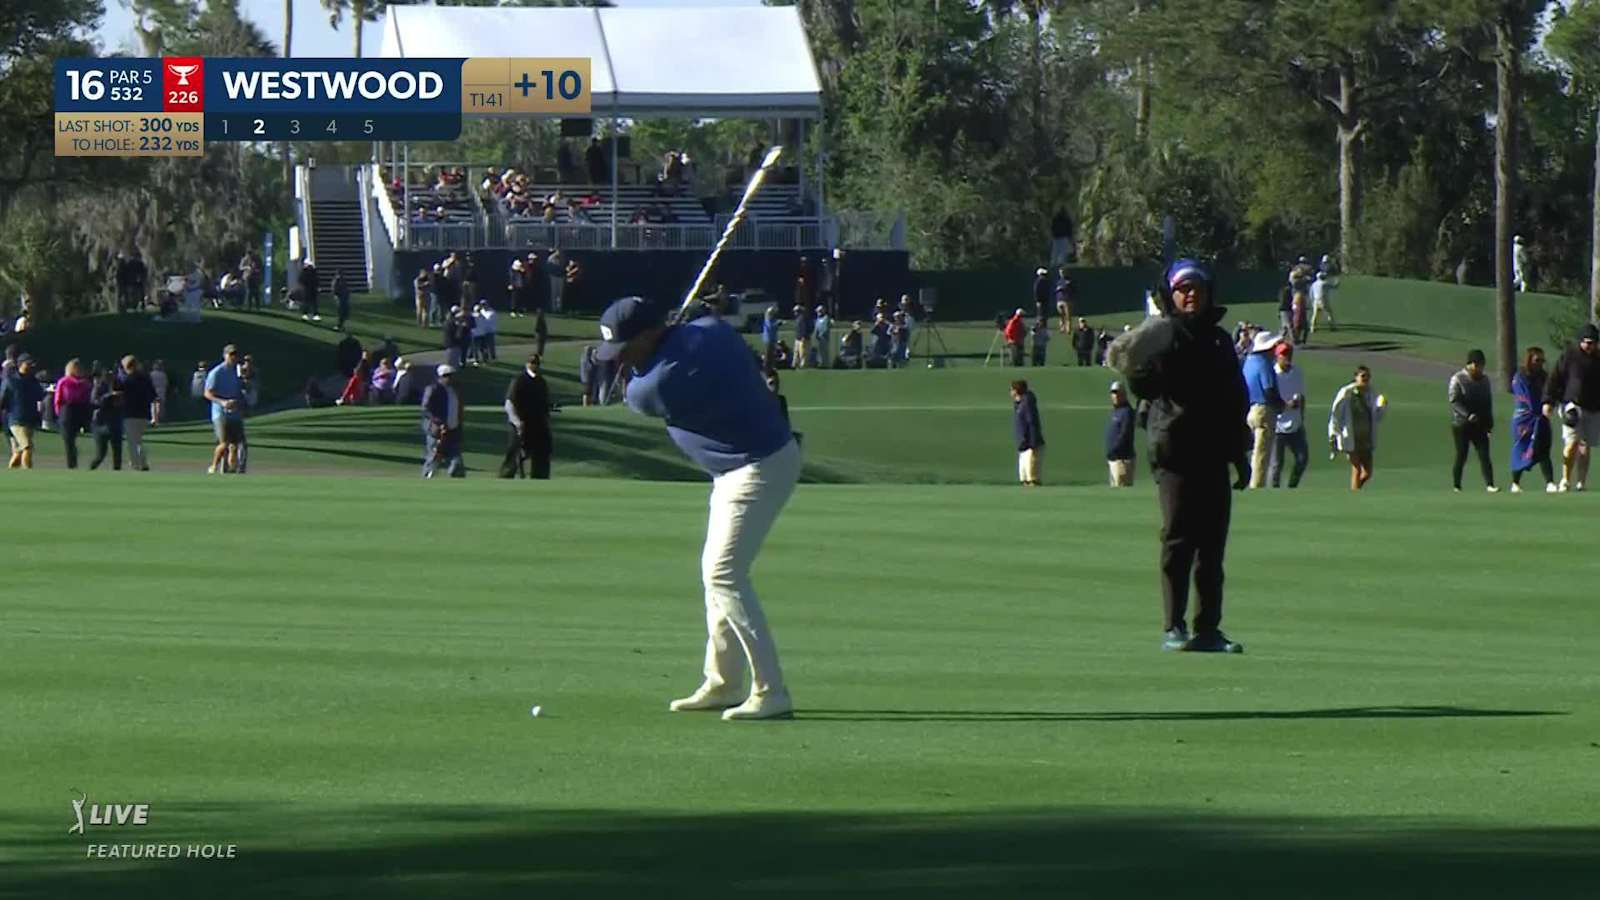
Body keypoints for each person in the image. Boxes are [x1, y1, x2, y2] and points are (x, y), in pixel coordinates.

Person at [597, 295, 799, 721]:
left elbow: (636, 393)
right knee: (715, 575)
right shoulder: (711, 331)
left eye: (624, 348)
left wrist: (663, 347)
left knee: (724, 574)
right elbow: (709, 330)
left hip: (755, 468)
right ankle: (723, 682)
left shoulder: (654, 385)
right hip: (741, 467)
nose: (620, 359)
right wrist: (681, 330)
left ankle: (771, 691)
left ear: (650, 333)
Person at [1107, 258, 1248, 654]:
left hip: (1214, 454)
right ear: (1171, 294)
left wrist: (1240, 455)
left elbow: (1235, 400)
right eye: (1183, 289)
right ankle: (1174, 626)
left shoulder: (1220, 341)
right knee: (1178, 540)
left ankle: (1209, 630)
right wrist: (1137, 366)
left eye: (1196, 288)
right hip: (1175, 452)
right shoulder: (1163, 336)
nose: (1190, 295)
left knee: (1212, 547)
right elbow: (1145, 387)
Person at [1545, 323, 1599, 492]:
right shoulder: (1570, 356)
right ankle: (1565, 479)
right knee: (1571, 444)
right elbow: (1555, 378)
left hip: (1594, 407)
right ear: (1580, 342)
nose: (1589, 346)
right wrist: (1548, 401)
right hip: (1572, 406)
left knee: (1585, 446)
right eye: (1586, 342)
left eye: (1593, 343)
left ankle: (1581, 482)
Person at [1328, 365, 1386, 491]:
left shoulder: (1371, 393)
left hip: (1366, 437)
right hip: (1351, 436)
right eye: (1363, 376)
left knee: (1368, 472)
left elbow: (1376, 417)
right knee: (1356, 469)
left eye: (1368, 376)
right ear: (1356, 377)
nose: (1366, 379)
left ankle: (1355, 491)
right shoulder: (1346, 393)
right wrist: (1334, 433)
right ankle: (1355, 496)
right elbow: (1335, 413)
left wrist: (1382, 407)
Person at [1449, 349, 1498, 493]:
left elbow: (1487, 402)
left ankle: (1490, 485)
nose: (1479, 369)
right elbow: (1454, 401)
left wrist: (1489, 423)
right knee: (1461, 455)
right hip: (1461, 424)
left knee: (1484, 455)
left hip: (1480, 423)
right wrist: (1467, 415)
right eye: (1476, 365)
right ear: (1469, 364)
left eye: (1481, 365)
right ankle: (1457, 486)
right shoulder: (1457, 379)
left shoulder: (1485, 380)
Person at [1511, 346, 1557, 493]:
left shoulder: (1544, 377)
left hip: (1541, 418)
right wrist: (1541, 407)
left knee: (1544, 449)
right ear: (1530, 360)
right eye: (1537, 360)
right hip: (1524, 420)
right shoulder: (1520, 377)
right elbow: (1527, 399)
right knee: (1522, 448)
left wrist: (1550, 404)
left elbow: (1551, 392)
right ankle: (1515, 483)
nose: (1540, 363)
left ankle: (1550, 482)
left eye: (1542, 360)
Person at [502, 354, 552, 479]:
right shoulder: (519, 380)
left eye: (536, 363)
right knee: (513, 451)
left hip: (537, 422)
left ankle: (540, 476)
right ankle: (506, 475)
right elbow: (509, 404)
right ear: (527, 364)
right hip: (520, 422)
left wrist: (546, 420)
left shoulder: (541, 382)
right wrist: (517, 422)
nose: (534, 365)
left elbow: (544, 404)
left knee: (543, 449)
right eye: (532, 362)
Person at [1242, 330, 1282, 489]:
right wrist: (1280, 406)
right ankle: (1256, 486)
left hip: (1250, 410)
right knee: (1261, 453)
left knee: (1255, 452)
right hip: (1264, 410)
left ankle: (1251, 481)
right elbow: (1269, 389)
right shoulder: (1264, 364)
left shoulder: (1249, 361)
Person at [1266, 343, 1308, 489]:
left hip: (1295, 424)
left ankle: (1292, 487)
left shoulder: (1297, 372)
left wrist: (1302, 417)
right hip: (1277, 425)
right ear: (1277, 356)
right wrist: (1286, 405)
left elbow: (1302, 396)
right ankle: (1274, 493)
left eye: (1288, 354)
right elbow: (1269, 398)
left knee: (1302, 459)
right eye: (1283, 354)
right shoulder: (1272, 374)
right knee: (1276, 464)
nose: (1286, 357)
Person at [202, 346, 246, 474]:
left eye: (235, 355)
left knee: (235, 444)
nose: (233, 357)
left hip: (235, 413)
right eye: (230, 354)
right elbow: (207, 393)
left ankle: (230, 469)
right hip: (220, 413)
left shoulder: (237, 372)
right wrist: (222, 402)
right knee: (224, 443)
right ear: (225, 355)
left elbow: (242, 390)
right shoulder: (217, 372)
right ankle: (214, 466)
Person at [421, 364, 465, 478]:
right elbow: (426, 409)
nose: (449, 378)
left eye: (451, 376)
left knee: (456, 460)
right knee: (433, 457)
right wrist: (438, 422)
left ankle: (458, 481)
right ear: (440, 376)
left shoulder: (455, 390)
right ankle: (427, 478)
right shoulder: (433, 389)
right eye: (446, 376)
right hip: (436, 431)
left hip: (453, 430)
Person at [1, 354, 44, 469]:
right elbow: (2, 400)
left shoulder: (33, 381)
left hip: (30, 419)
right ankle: (28, 472)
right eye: (28, 363)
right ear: (20, 364)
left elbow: (40, 397)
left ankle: (11, 473)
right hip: (16, 419)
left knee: (18, 451)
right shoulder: (11, 380)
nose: (30, 366)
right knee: (27, 447)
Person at [119, 355, 157, 471]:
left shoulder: (125, 381)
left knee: (132, 441)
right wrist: (155, 415)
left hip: (130, 414)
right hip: (144, 414)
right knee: (138, 439)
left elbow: (120, 397)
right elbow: (154, 398)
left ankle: (137, 464)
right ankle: (141, 462)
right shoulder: (145, 379)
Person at [54, 359, 93, 470]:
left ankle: (73, 459)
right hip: (66, 411)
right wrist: (59, 412)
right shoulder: (64, 382)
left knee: (72, 438)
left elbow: (87, 400)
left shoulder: (85, 384)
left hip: (79, 410)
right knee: (68, 439)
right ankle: (71, 464)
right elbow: (58, 399)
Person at [88, 367, 125, 471]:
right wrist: (109, 396)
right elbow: (94, 401)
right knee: (101, 454)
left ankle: (117, 473)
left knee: (117, 452)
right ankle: (91, 470)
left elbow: (125, 402)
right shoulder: (99, 387)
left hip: (115, 423)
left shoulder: (120, 386)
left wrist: (120, 399)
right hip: (101, 423)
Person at [1011, 379, 1045, 486]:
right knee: (1024, 478)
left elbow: (1031, 423)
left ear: (1016, 391)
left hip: (1029, 442)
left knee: (1032, 477)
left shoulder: (1027, 404)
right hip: (1023, 442)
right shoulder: (1019, 403)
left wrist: (1032, 441)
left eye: (1011, 389)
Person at [1106, 381, 1136, 487]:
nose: (1115, 396)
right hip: (1114, 459)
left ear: (1124, 395)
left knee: (1121, 488)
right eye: (1113, 393)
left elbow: (1125, 434)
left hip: (1123, 459)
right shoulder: (1116, 411)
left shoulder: (1127, 412)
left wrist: (1114, 449)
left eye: (1118, 393)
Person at [792, 304, 813, 369]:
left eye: (796, 311)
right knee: (796, 352)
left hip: (802, 338)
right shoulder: (798, 318)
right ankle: (795, 364)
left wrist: (803, 336)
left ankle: (803, 365)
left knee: (803, 353)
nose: (795, 313)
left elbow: (804, 328)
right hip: (798, 338)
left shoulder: (803, 318)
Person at [148, 359, 168, 425]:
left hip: (153, 391)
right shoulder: (163, 374)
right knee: (159, 406)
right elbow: (166, 383)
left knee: (154, 406)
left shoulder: (151, 374)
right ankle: (157, 419)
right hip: (161, 391)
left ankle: (154, 419)